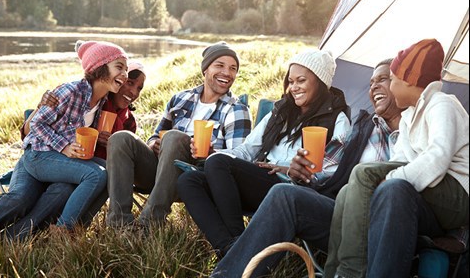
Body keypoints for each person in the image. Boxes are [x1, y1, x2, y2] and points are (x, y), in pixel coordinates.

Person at [208, 58, 403, 277]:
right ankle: (233, 257)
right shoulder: (366, 127)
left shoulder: (417, 129)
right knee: (285, 192)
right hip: (341, 214)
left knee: (284, 193)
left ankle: (230, 265)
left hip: (377, 223)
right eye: (371, 83)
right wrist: (305, 174)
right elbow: (329, 169)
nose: (374, 87)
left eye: (383, 79)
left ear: (403, 83)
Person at [177, 49, 352, 260]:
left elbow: (334, 172)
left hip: (290, 190)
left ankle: (240, 251)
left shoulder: (338, 120)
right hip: (260, 180)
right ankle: (229, 248)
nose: (293, 87)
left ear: (320, 82)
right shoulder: (282, 111)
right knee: (189, 180)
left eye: (301, 81)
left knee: (219, 164)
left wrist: (290, 169)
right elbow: (248, 149)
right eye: (290, 81)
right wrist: (216, 155)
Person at [325, 39, 469, 278]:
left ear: (409, 80)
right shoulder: (409, 117)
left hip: (458, 195)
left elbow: (438, 158)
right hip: (434, 194)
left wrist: (390, 178)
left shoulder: (442, 105)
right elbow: (399, 159)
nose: (389, 88)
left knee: (365, 174)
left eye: (392, 80)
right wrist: (377, 183)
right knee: (348, 190)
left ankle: (352, 271)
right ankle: (334, 272)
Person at [105, 41, 252, 229]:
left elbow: (239, 160)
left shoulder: (236, 109)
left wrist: (212, 153)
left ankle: (150, 223)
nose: (227, 72)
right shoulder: (181, 99)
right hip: (160, 172)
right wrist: (153, 144)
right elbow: (156, 134)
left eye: (233, 68)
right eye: (220, 65)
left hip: (198, 177)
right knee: (121, 138)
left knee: (175, 137)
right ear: (205, 69)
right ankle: (119, 224)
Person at [3, 60, 147, 240]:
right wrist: (41, 106)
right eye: (130, 83)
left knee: (83, 182)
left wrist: (113, 145)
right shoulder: (92, 100)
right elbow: (29, 133)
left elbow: (120, 165)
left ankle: (72, 231)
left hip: (83, 170)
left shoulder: (128, 121)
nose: (133, 92)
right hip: (53, 159)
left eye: (139, 88)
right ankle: (44, 233)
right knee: (27, 197)